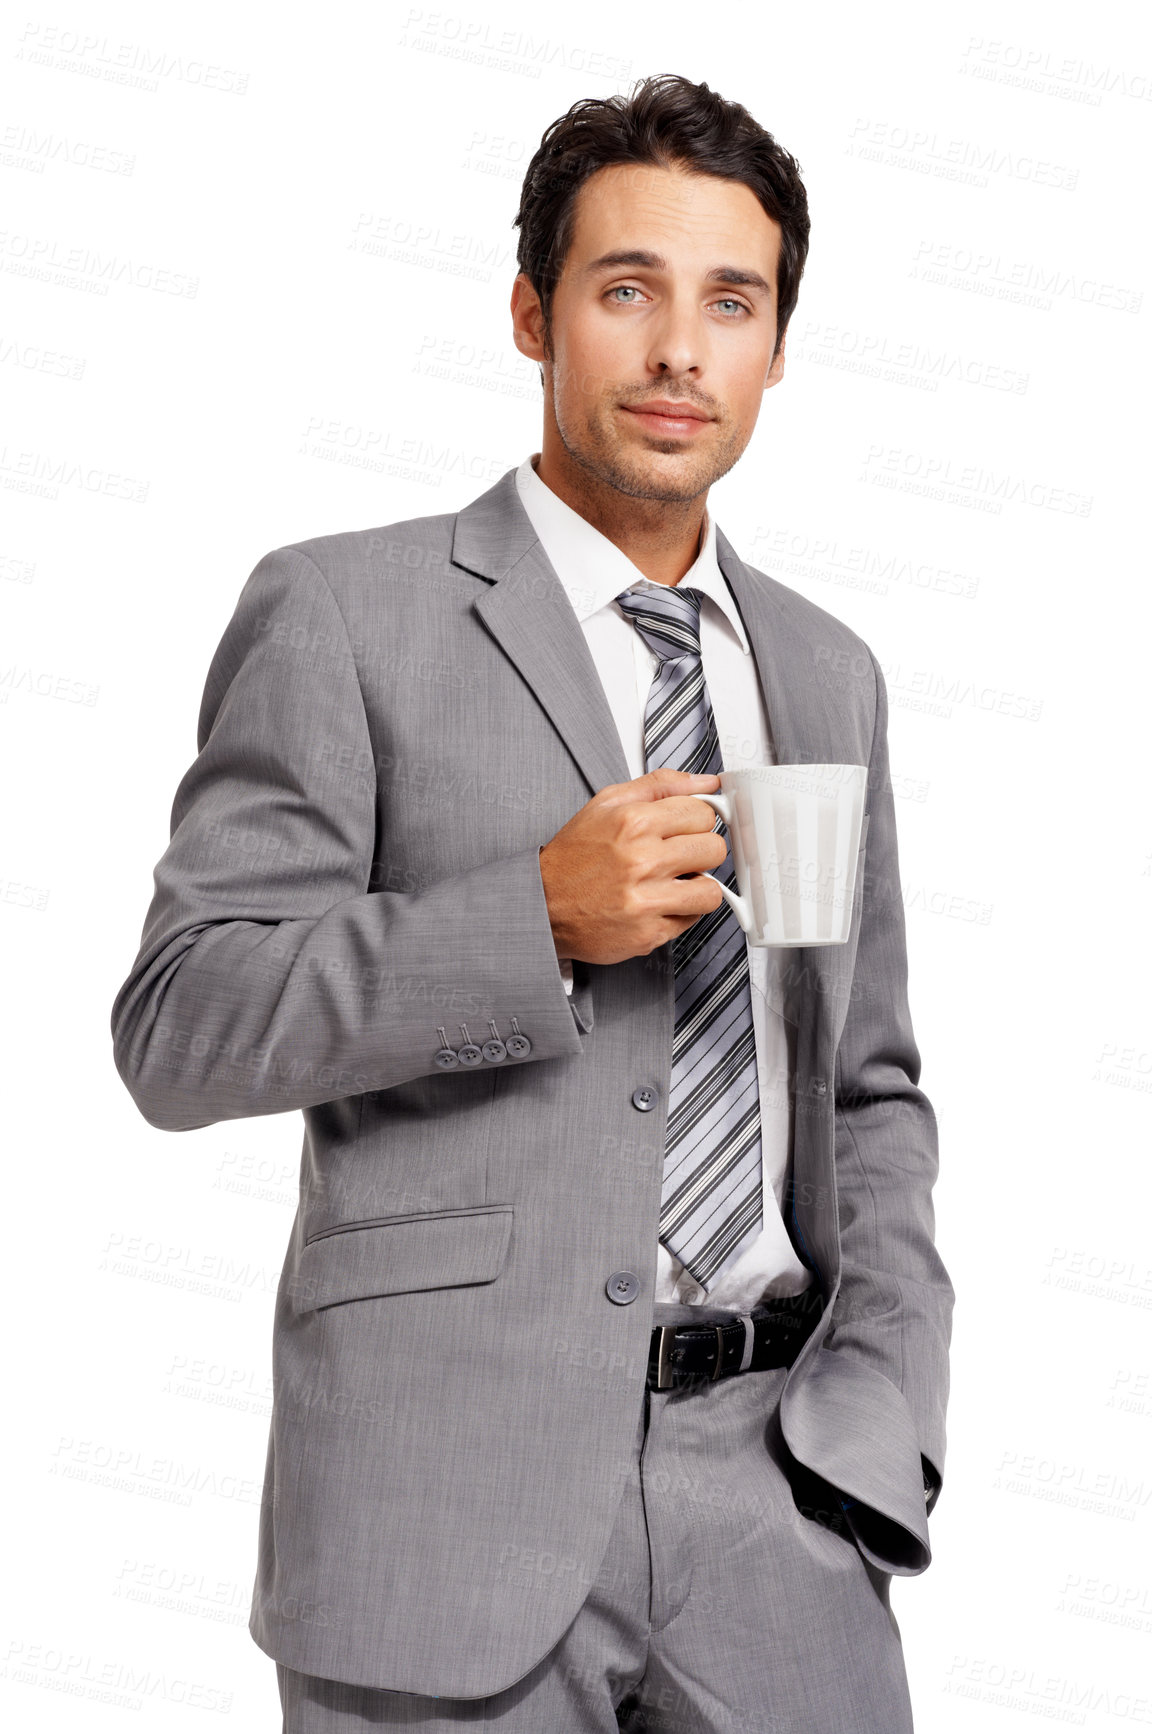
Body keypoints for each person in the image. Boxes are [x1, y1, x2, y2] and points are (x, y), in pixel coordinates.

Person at [111, 72, 953, 1733]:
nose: (679, 350)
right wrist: (532, 921)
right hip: (443, 1500)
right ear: (531, 313)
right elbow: (180, 1022)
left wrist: (885, 1416)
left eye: (732, 302)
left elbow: (868, 1083)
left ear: (778, 348)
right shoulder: (344, 612)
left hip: (782, 1505)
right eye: (627, 289)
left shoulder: (826, 671)